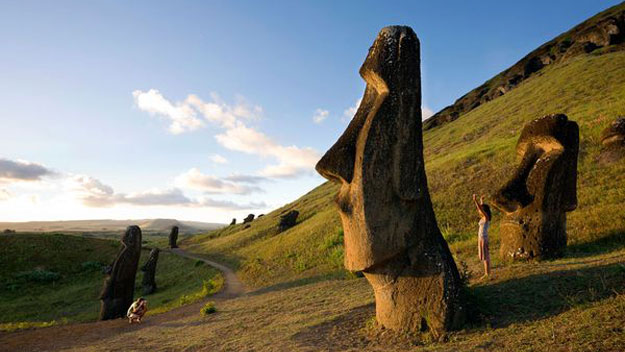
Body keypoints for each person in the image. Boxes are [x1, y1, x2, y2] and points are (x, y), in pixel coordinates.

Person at [473, 194, 492, 279]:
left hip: (483, 238)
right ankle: (486, 272)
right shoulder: (483, 218)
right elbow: (481, 208)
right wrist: (481, 200)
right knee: (484, 256)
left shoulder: (486, 217)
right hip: (481, 238)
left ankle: (487, 273)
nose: (478, 211)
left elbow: (480, 209)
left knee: (485, 256)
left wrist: (475, 201)